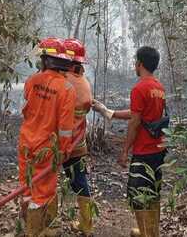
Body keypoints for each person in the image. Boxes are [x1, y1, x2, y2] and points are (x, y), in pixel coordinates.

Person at [92, 46, 166, 237]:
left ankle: (146, 233)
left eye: (135, 61)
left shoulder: (139, 88)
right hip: (158, 150)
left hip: (143, 151)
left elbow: (134, 123)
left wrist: (125, 151)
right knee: (152, 192)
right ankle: (150, 232)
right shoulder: (158, 87)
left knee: (139, 194)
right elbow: (138, 114)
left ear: (139, 63)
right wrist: (108, 112)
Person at [18, 38, 76, 236]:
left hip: (26, 143)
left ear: (46, 60)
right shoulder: (67, 89)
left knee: (27, 187)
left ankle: (33, 227)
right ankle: (36, 232)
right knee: (42, 192)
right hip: (46, 148)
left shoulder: (33, 80)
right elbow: (65, 127)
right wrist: (65, 148)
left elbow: (27, 106)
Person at [61, 38, 95, 235]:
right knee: (80, 182)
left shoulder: (64, 82)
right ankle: (86, 225)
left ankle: (47, 225)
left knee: (45, 183)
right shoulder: (84, 81)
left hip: (59, 143)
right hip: (78, 143)